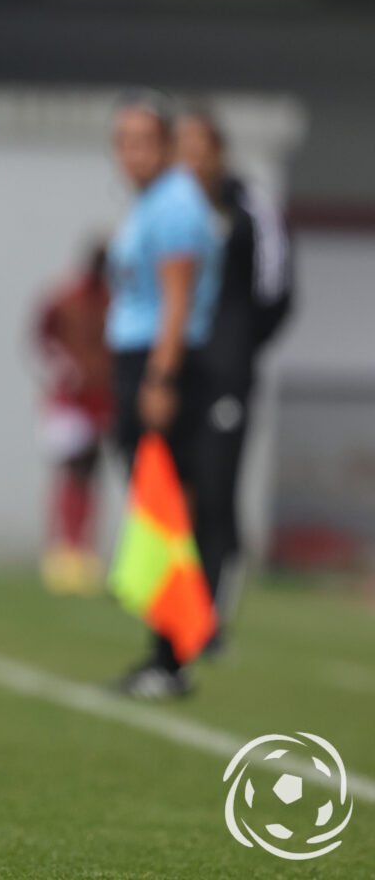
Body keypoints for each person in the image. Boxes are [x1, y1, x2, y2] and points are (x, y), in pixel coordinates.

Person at [100, 92, 223, 699]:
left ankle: (171, 658)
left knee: (166, 512)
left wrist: (160, 378)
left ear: (168, 145)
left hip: (159, 365)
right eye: (122, 141)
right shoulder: (151, 201)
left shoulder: (175, 203)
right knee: (154, 511)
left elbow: (177, 301)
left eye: (143, 140)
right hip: (139, 359)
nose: (131, 153)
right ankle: (164, 655)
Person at [174, 106, 293, 652]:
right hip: (179, 372)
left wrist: (237, 347)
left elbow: (278, 289)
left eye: (201, 149)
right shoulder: (170, 206)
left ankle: (213, 618)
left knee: (219, 489)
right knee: (180, 489)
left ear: (219, 153)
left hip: (227, 374)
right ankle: (176, 605)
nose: (191, 160)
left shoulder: (249, 204)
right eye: (184, 149)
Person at [33, 241, 113, 595]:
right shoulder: (65, 298)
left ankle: (81, 551)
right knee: (70, 471)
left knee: (90, 474)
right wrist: (64, 367)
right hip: (69, 402)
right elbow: (42, 338)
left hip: (100, 400)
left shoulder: (113, 301)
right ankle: (62, 551)